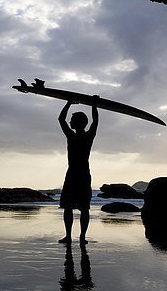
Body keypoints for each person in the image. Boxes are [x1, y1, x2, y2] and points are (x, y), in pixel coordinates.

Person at [58, 97, 99, 245]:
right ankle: (78, 237)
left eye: (73, 119)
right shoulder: (87, 136)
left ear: (79, 123)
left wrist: (68, 103)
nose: (70, 121)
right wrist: (94, 105)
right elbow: (95, 122)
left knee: (72, 207)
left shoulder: (73, 137)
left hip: (75, 174)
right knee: (81, 208)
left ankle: (72, 237)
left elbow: (60, 119)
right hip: (81, 174)